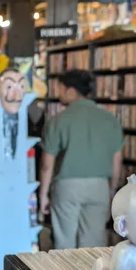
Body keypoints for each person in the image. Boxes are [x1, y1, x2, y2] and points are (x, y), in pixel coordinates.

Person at [39, 70, 123, 249]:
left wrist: (43, 194)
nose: (58, 93)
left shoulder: (57, 120)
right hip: (99, 186)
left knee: (64, 243)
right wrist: (111, 189)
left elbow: (47, 164)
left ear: (71, 91)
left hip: (67, 186)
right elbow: (117, 161)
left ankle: (64, 269)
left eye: (60, 89)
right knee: (93, 245)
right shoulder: (110, 120)